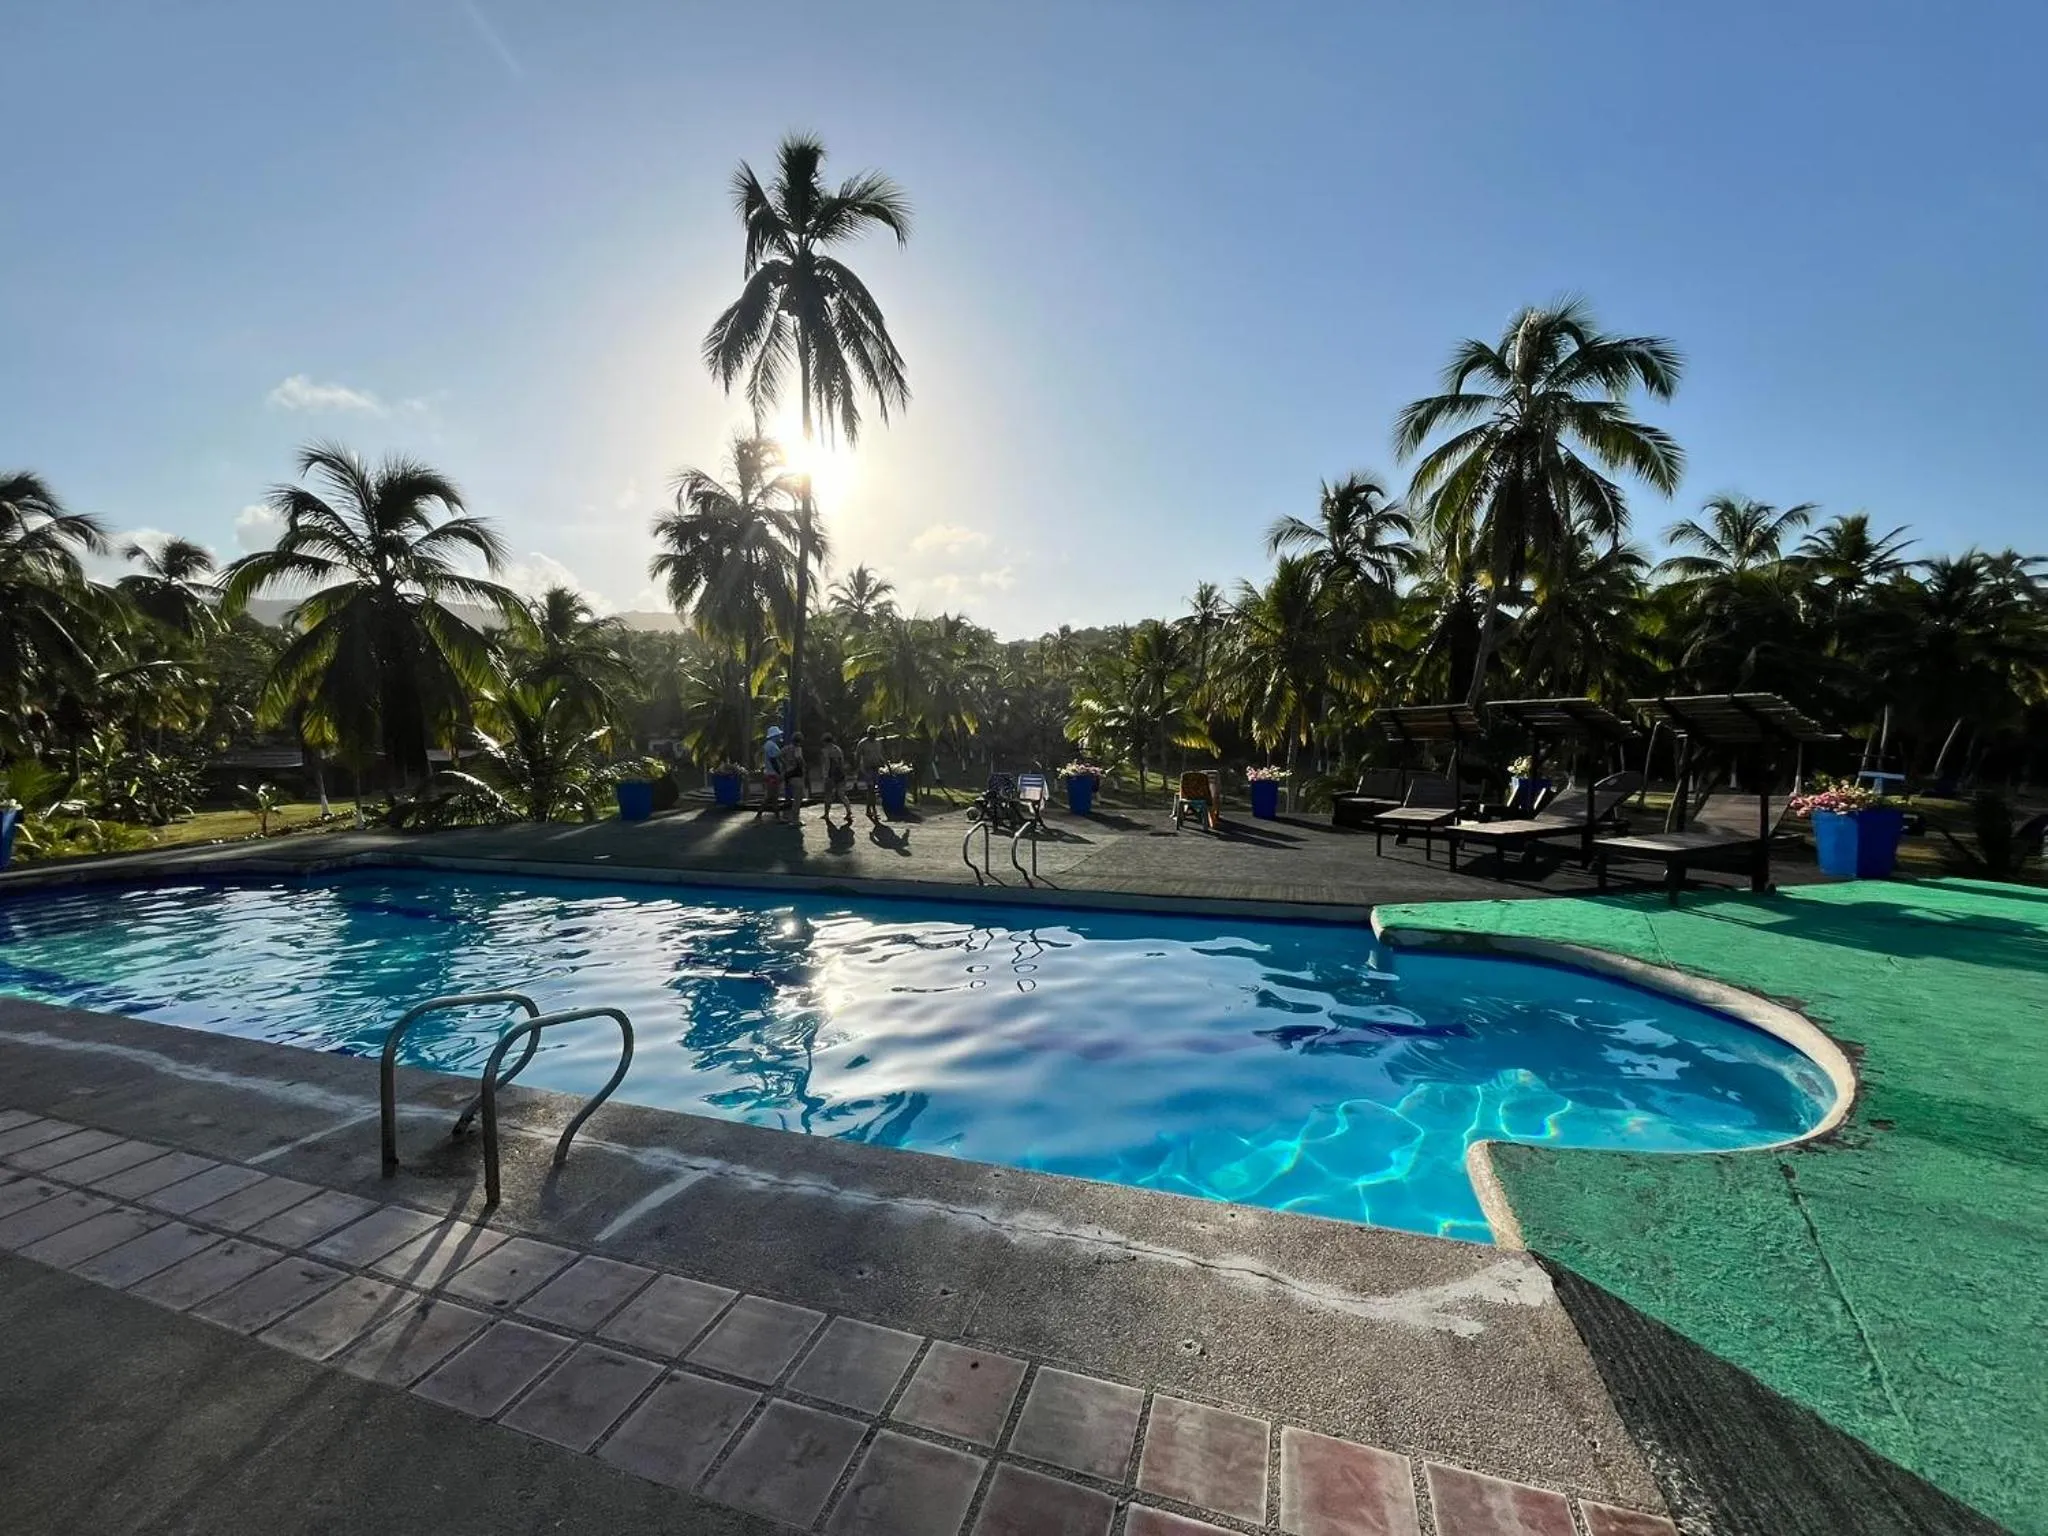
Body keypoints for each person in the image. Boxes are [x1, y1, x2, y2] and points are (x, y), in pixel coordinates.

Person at [820, 733, 851, 825]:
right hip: (840, 775)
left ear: (825, 741)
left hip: (830, 775)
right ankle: (849, 811)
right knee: (842, 794)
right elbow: (842, 762)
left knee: (828, 796)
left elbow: (827, 763)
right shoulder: (838, 749)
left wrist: (825, 775)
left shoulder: (825, 750)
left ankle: (826, 814)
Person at [754, 725, 784, 821]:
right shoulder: (772, 745)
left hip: (770, 773)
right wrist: (779, 772)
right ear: (775, 735)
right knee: (770, 795)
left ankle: (777, 816)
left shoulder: (768, 744)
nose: (780, 736)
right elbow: (774, 761)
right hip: (773, 774)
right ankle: (760, 814)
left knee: (773, 796)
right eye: (778, 735)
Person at [856, 726, 885, 821]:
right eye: (870, 734)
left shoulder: (878, 743)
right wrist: (857, 769)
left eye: (874, 734)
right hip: (866, 768)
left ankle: (869, 809)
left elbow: (880, 754)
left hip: (875, 767)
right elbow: (857, 756)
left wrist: (885, 764)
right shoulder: (862, 743)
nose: (872, 736)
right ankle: (873, 810)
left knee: (872, 790)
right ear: (868, 734)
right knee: (871, 789)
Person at [781, 735, 808, 822]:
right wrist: (804, 765)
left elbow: (778, 756)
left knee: (795, 795)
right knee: (798, 797)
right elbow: (798, 758)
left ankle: (792, 817)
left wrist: (785, 763)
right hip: (796, 773)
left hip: (788, 773)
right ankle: (795, 818)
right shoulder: (797, 748)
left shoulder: (786, 748)